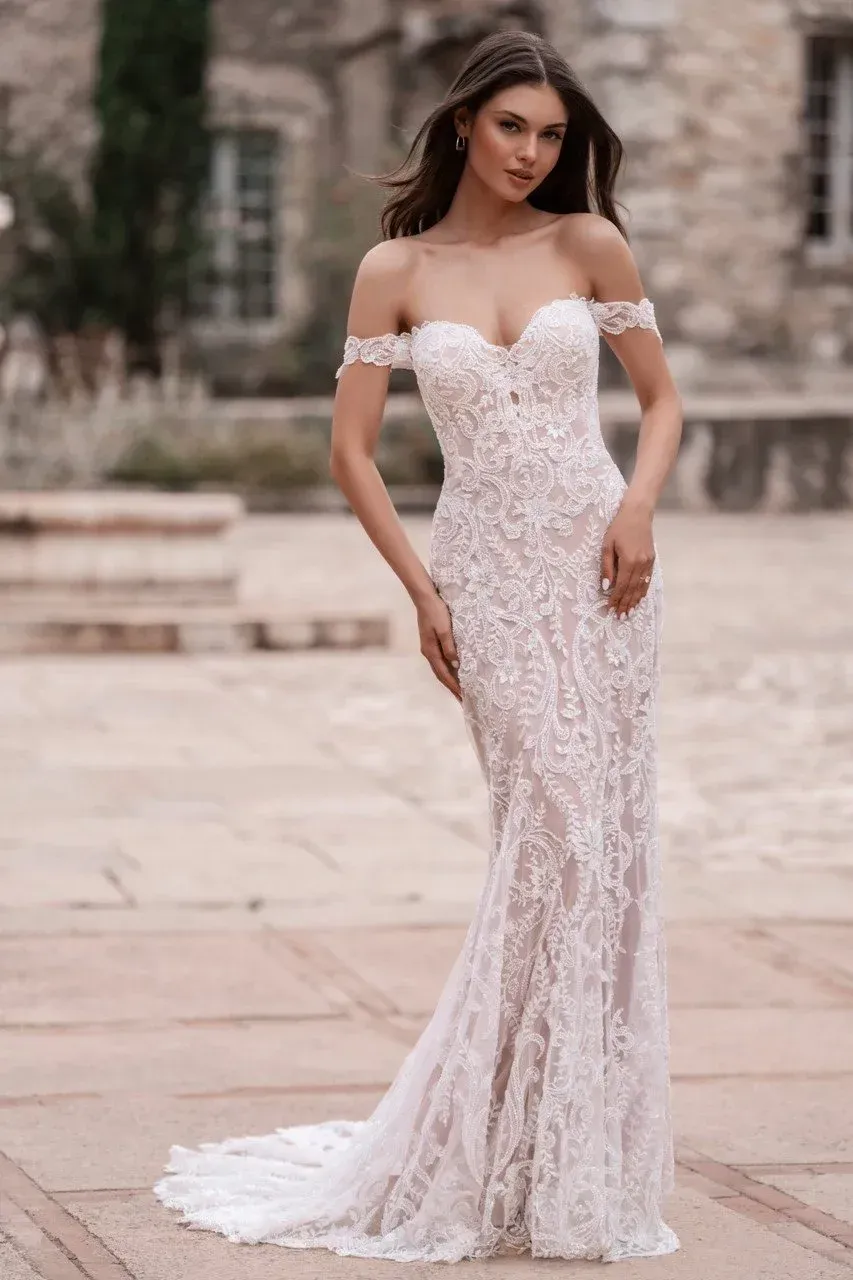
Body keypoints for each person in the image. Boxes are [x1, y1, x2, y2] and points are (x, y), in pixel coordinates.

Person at [154, 28, 684, 1264]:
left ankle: (564, 1145)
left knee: (598, 846)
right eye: (512, 128)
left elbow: (658, 400)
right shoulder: (394, 266)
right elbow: (349, 451)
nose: (531, 152)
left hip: (605, 571)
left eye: (551, 136)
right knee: (550, 832)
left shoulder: (587, 243)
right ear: (462, 125)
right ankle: (499, 1136)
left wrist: (640, 505)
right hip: (486, 579)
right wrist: (421, 590)